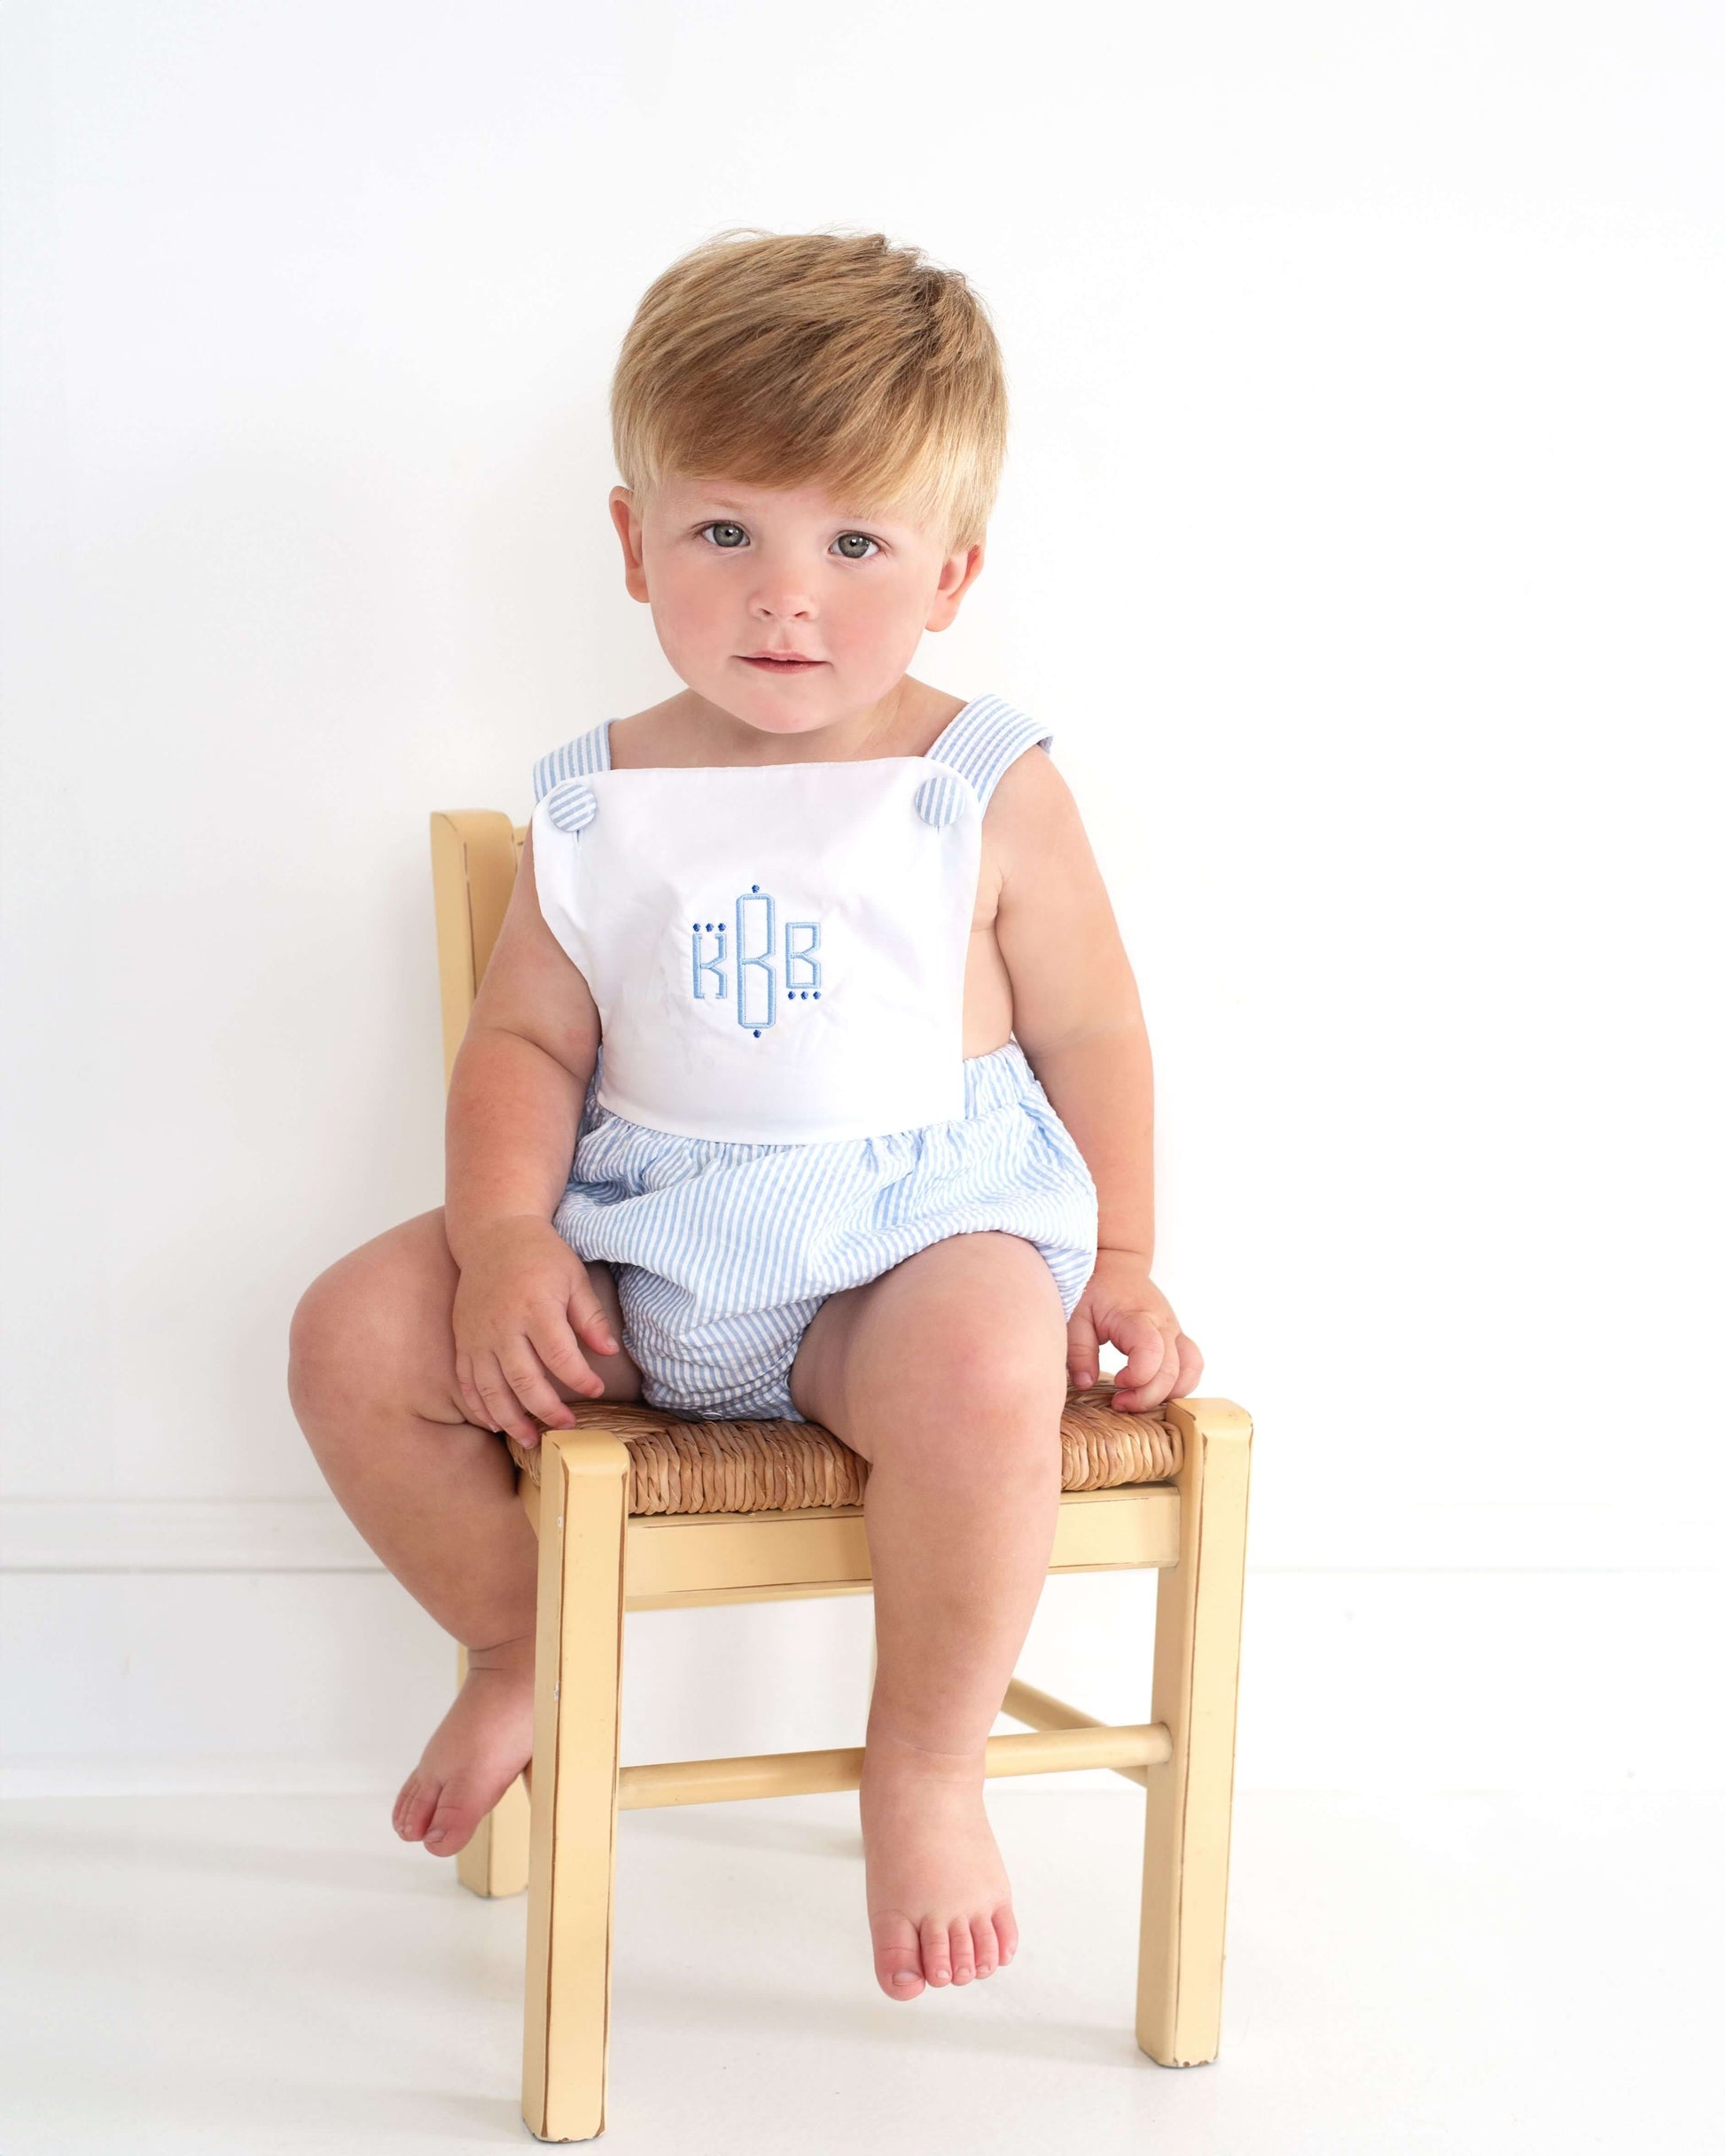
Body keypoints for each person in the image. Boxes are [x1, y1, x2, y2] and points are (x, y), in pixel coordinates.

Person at [288, 226, 1203, 2004]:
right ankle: (523, 1641)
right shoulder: (599, 798)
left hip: (896, 1264)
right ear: (635, 543)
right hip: (641, 1258)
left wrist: (1127, 1259)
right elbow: (524, 1044)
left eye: (854, 545)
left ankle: (923, 1759)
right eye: (726, 534)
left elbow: (1092, 1023)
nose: (787, 598)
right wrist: (502, 1239)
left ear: (951, 570)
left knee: (981, 1360)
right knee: (349, 1334)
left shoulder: (982, 782)